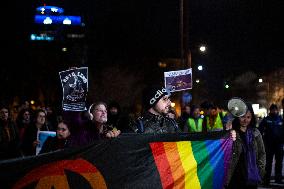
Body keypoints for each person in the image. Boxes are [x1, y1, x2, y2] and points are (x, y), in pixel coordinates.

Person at [225, 103, 266, 189]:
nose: (245, 120)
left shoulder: (256, 133)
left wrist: (260, 169)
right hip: (235, 177)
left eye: (248, 117)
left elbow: (262, 153)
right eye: (242, 117)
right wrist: (228, 129)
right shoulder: (232, 132)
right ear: (237, 116)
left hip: (251, 176)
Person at [258, 103, 284, 185]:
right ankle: (266, 179)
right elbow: (259, 130)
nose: (274, 111)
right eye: (272, 109)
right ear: (270, 110)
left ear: (277, 110)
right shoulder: (266, 120)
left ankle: (278, 178)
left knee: (279, 162)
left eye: (275, 109)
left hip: (279, 145)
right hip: (269, 145)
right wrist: (262, 141)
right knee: (268, 163)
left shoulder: (281, 120)